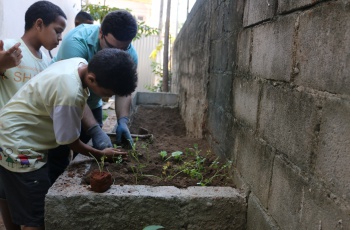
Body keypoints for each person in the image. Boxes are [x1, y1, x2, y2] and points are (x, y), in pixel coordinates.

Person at [0, 48, 137, 230]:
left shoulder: (78, 63)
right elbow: (70, 141)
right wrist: (101, 154)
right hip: (19, 147)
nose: (108, 97)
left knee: (8, 194)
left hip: (6, 132)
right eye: (108, 92)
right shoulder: (70, 93)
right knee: (36, 216)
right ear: (91, 79)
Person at [49, 9, 138, 183]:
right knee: (59, 152)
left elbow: (123, 90)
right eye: (112, 47)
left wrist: (123, 121)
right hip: (62, 101)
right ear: (100, 33)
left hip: (92, 101)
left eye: (124, 48)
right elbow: (72, 93)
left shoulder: (129, 52)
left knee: (88, 156)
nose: (120, 53)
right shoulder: (75, 43)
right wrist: (95, 129)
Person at [0, 2, 67, 229]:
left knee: (13, 196)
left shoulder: (47, 62)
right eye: (57, 31)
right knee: (16, 201)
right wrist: (1, 63)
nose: (59, 38)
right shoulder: (10, 47)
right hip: (11, 143)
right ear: (39, 24)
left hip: (31, 144)